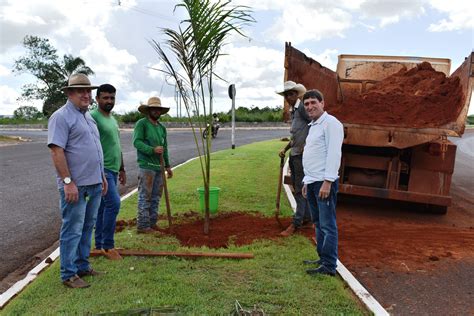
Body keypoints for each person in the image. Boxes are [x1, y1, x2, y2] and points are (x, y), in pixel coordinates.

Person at [47, 73, 107, 288]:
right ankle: (68, 274)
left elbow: (94, 148)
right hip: (75, 186)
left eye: (88, 90)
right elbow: (57, 151)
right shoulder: (61, 117)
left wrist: (101, 176)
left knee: (87, 225)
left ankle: (82, 265)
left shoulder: (87, 115)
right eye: (81, 90)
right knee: (72, 228)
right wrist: (67, 181)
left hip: (94, 182)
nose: (86, 94)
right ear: (70, 93)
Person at [301, 89, 344, 276]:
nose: (310, 107)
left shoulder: (331, 124)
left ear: (322, 103)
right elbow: (314, 156)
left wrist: (327, 181)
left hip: (323, 183)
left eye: (313, 102)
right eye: (306, 104)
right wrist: (306, 182)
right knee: (318, 223)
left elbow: (334, 154)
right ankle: (322, 258)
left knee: (327, 225)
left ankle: (329, 266)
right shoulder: (314, 126)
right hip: (312, 182)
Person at [91, 84, 126, 260]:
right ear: (97, 99)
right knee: (114, 203)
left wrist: (122, 168)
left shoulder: (112, 119)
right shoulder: (92, 117)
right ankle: (108, 245)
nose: (109, 101)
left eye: (112, 98)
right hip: (102, 169)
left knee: (103, 207)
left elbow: (116, 145)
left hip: (113, 168)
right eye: (105, 97)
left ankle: (99, 245)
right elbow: (89, 146)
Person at [276, 81, 312, 236]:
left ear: (297, 94)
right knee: (301, 189)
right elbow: (296, 135)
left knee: (299, 190)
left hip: (302, 157)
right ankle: (307, 219)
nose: (288, 97)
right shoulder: (294, 111)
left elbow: (314, 124)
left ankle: (296, 223)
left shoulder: (303, 108)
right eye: (286, 95)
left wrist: (308, 144)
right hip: (295, 154)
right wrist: (285, 149)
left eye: (291, 94)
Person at [133, 97, 173, 234]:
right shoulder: (142, 124)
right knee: (145, 196)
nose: (156, 111)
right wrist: (152, 150)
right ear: (148, 110)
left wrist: (168, 166)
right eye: (153, 109)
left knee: (156, 196)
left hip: (159, 167)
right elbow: (137, 142)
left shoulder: (162, 128)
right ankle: (143, 225)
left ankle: (152, 223)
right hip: (146, 167)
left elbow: (165, 148)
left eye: (158, 109)